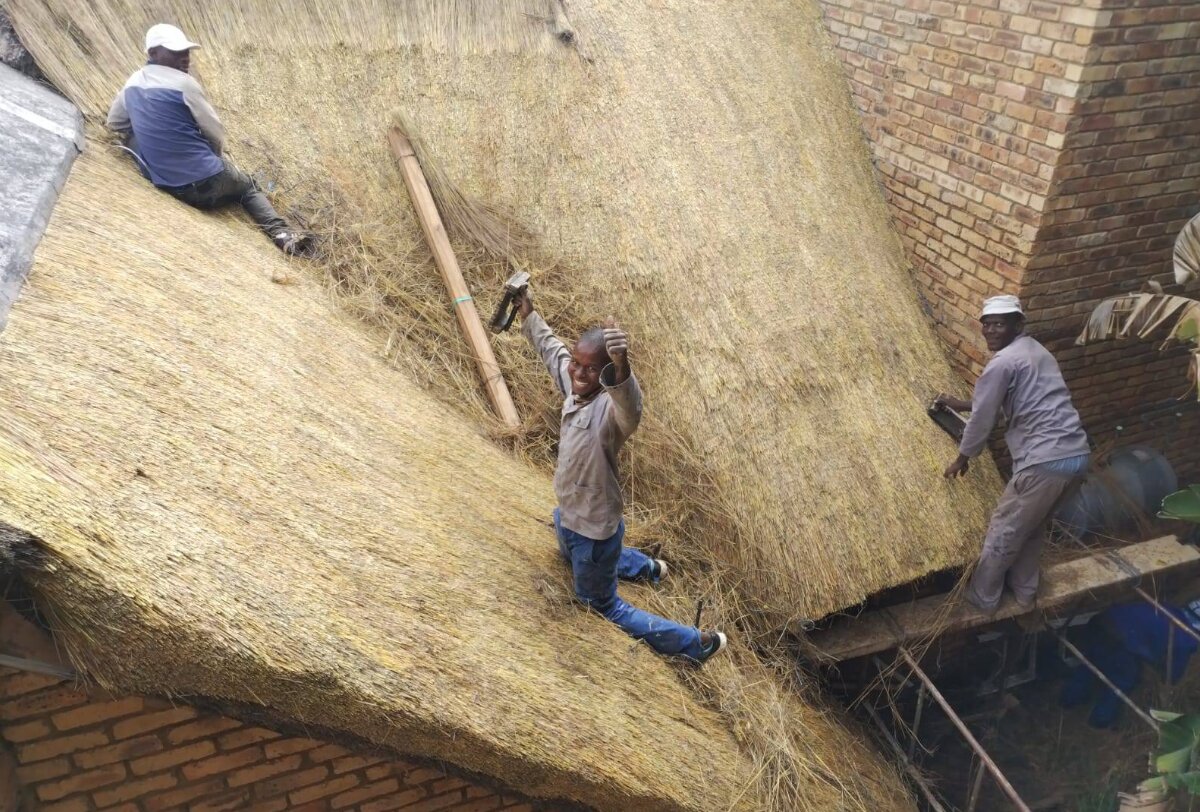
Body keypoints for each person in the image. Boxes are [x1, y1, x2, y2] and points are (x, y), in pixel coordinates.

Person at [516, 286, 726, 663]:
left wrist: (623, 365)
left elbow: (631, 407)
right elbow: (553, 353)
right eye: (577, 364)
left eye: (591, 368)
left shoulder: (609, 415)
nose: (579, 372)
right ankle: (648, 567)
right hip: (571, 515)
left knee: (600, 603)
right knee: (565, 540)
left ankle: (694, 644)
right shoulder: (575, 387)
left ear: (607, 373)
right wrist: (529, 315)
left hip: (595, 530)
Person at [938, 294, 1091, 614]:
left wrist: (963, 457)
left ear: (1018, 324)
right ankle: (1024, 593)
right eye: (987, 324)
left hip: (1044, 462)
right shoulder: (1037, 352)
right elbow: (998, 401)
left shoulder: (1003, 361)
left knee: (1004, 529)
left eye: (1000, 324)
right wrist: (959, 403)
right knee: (1031, 528)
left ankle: (984, 598)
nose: (991, 331)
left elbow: (983, 418)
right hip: (1076, 456)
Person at [106, 24, 311, 256]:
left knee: (133, 136)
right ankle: (282, 234)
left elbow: (115, 124)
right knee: (248, 187)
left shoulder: (132, 82)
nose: (184, 58)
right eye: (175, 52)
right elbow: (215, 132)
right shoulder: (185, 85)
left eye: (186, 51)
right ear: (153, 53)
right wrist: (216, 160)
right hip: (206, 184)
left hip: (167, 183)